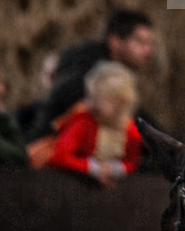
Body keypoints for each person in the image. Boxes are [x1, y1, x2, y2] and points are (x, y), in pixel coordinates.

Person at [27, 8, 155, 141]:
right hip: (56, 149)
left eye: (150, 43)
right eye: (140, 42)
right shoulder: (96, 73)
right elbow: (129, 117)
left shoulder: (88, 60)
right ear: (115, 41)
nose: (149, 51)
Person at [45, 60, 143, 188]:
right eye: (89, 96)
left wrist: (114, 169)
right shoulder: (83, 123)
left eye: (97, 98)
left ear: (120, 102)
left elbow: (132, 162)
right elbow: (59, 156)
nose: (89, 103)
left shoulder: (131, 131)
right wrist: (93, 168)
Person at [15, 51, 59, 136]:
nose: (51, 81)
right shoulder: (27, 114)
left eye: (55, 75)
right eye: (47, 75)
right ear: (42, 77)